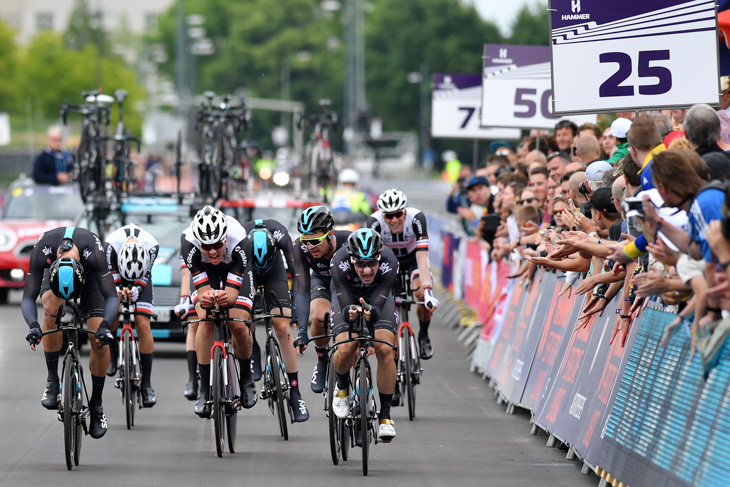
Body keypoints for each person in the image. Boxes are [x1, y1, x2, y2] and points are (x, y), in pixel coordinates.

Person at [22, 227, 119, 439]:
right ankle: (52, 381)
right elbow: (28, 297)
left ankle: (97, 405)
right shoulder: (43, 250)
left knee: (98, 340)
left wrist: (105, 325)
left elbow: (112, 296)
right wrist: (33, 326)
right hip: (56, 276)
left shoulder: (94, 252)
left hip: (92, 277)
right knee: (50, 310)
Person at [181, 206, 257, 417]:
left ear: (225, 237)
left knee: (237, 323)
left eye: (217, 244)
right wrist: (208, 298)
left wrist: (225, 297)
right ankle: (204, 391)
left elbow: (232, 296)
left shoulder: (240, 241)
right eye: (207, 246)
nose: (213, 251)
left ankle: (246, 378)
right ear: (198, 241)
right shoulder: (188, 245)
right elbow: (203, 292)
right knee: (204, 319)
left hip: (234, 267)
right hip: (205, 271)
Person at [330, 228, 399, 443]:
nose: (367, 270)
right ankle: (342, 386)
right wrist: (349, 312)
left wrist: (371, 316)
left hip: (379, 296)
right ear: (351, 260)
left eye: (372, 263)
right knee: (346, 347)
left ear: (379, 257)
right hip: (346, 294)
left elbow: (379, 304)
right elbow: (343, 303)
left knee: (385, 349)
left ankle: (385, 417)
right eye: (360, 264)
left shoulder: (390, 261)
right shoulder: (338, 262)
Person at [243, 219, 309, 422]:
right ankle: (252, 346)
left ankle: (296, 394)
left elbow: (298, 276)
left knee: (283, 329)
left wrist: (297, 310)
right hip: (248, 270)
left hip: (275, 271)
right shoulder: (240, 237)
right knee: (247, 318)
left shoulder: (281, 236)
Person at [367, 189, 440, 359]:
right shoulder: (374, 222)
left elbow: (422, 255)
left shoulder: (416, 218)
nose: (394, 220)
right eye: (389, 216)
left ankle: (423, 334)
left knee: (421, 292)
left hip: (413, 258)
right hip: (388, 261)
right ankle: (394, 362)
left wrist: (428, 290)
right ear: (382, 215)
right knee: (392, 311)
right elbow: (372, 258)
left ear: (405, 211)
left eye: (398, 214)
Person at [290, 206, 351, 394]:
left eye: (315, 241)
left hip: (349, 285)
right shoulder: (300, 247)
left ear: (330, 234)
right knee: (318, 316)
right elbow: (301, 289)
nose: (310, 247)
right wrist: (301, 330)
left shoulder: (348, 242)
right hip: (322, 281)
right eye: (306, 241)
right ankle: (322, 360)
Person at [103, 223, 159, 407]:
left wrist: (137, 290)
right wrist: (118, 292)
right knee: (113, 314)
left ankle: (147, 384)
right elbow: (111, 276)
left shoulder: (152, 246)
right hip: (117, 273)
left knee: (143, 324)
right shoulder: (110, 245)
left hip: (141, 274)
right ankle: (113, 352)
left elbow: (146, 275)